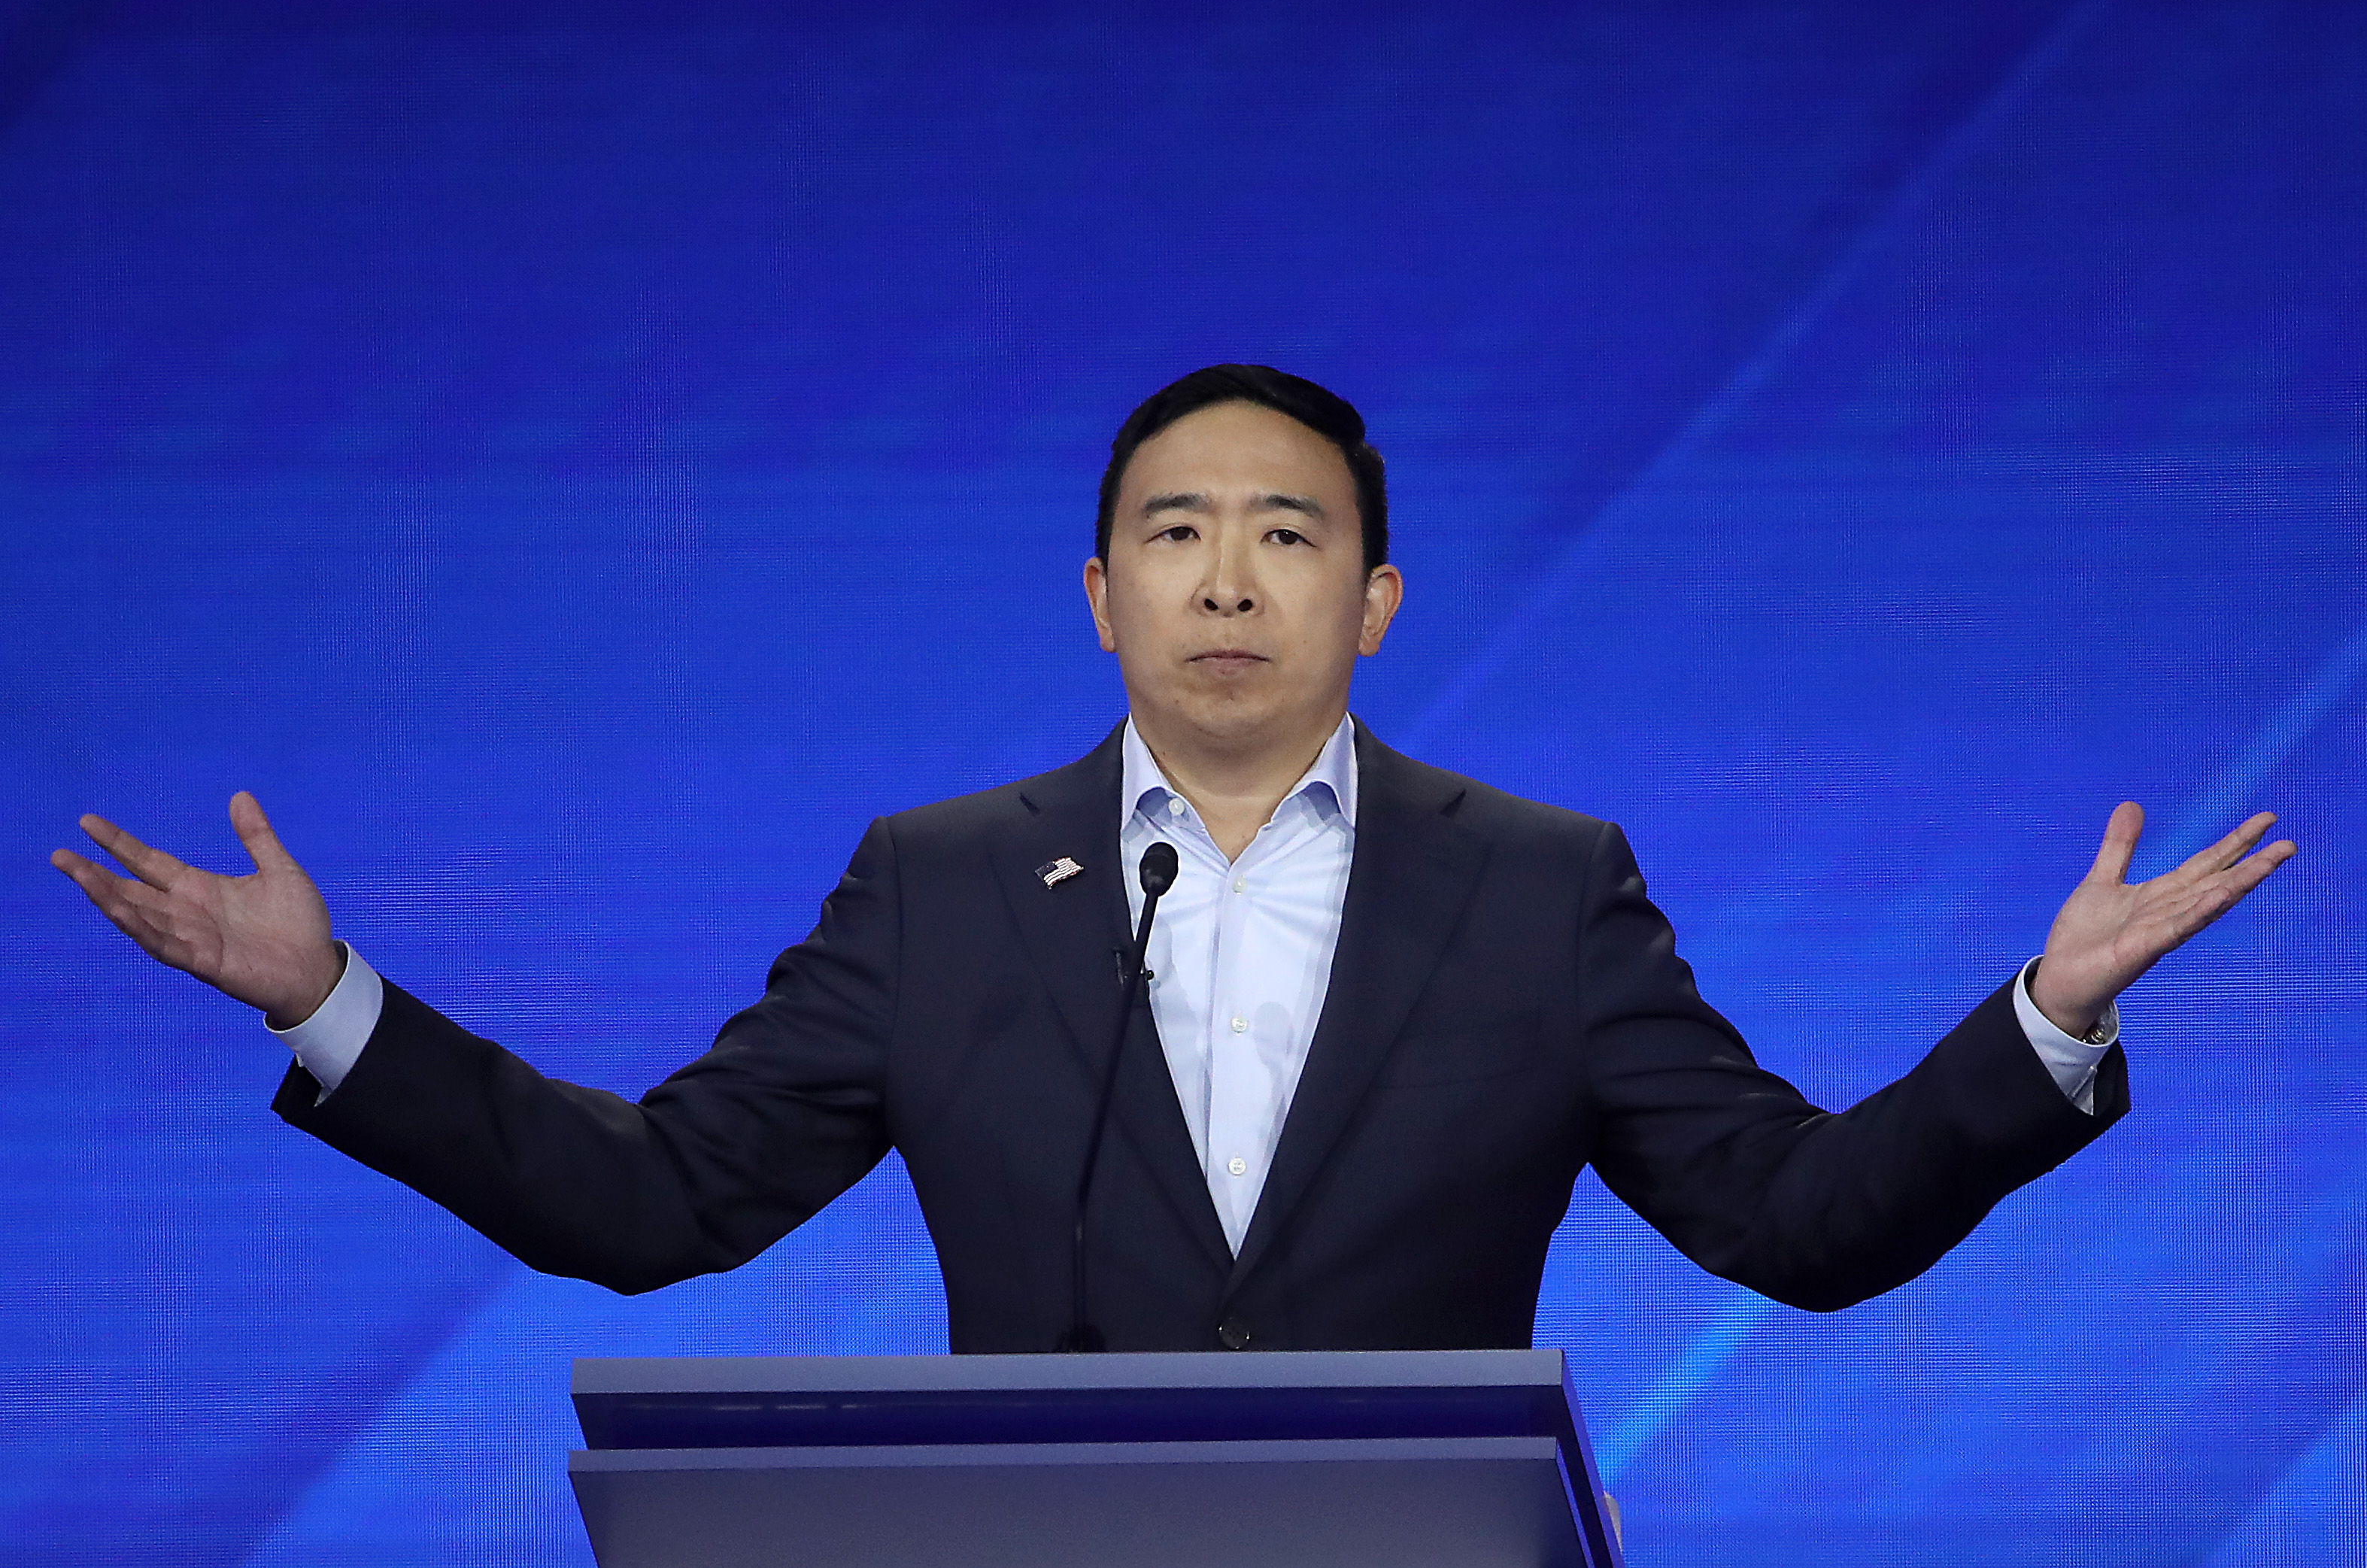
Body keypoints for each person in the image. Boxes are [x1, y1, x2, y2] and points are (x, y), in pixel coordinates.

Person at [53, 365, 2296, 1353]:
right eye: (1176, 536)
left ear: (1375, 602)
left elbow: (1794, 1224)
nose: (1230, 579)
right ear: (1102, 595)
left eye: (1287, 535)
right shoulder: (937, 884)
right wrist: (327, 1004)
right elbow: (655, 1204)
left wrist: (2045, 1021)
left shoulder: (1538, 886)